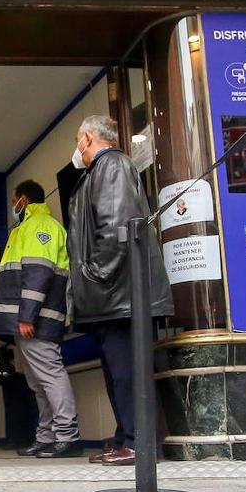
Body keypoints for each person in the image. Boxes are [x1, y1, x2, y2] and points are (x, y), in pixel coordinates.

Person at [67, 115, 173, 466]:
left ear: (87, 138)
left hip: (118, 294)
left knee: (126, 372)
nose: (77, 148)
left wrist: (94, 276)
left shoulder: (111, 166)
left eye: (78, 140)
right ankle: (126, 438)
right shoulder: (99, 171)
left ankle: (138, 442)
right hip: (113, 295)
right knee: (118, 372)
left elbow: (116, 228)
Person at [0, 180, 82, 458]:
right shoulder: (27, 227)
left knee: (49, 375)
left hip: (37, 319)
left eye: (14, 200)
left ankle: (68, 436)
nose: (12, 206)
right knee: (38, 381)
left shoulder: (41, 226)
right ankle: (47, 436)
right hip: (29, 320)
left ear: (23, 200)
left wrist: (27, 315)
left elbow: (39, 273)